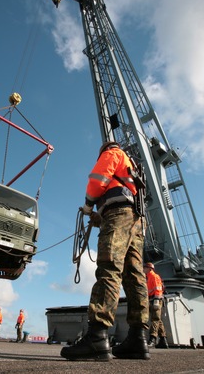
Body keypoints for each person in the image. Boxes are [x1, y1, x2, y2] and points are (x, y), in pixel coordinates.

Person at [60, 141, 149, 361]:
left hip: (119, 215)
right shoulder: (132, 168)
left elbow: (98, 180)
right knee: (134, 276)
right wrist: (100, 217)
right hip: (136, 221)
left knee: (109, 268)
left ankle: (97, 337)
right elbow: (120, 196)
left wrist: (89, 205)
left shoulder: (113, 153)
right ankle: (138, 339)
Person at [143, 262, 169, 349]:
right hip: (151, 299)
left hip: (156, 299)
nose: (143, 269)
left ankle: (152, 339)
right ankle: (163, 340)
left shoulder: (154, 276)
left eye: (145, 268)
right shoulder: (148, 277)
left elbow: (158, 289)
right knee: (158, 320)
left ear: (150, 269)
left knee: (155, 319)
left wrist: (156, 300)